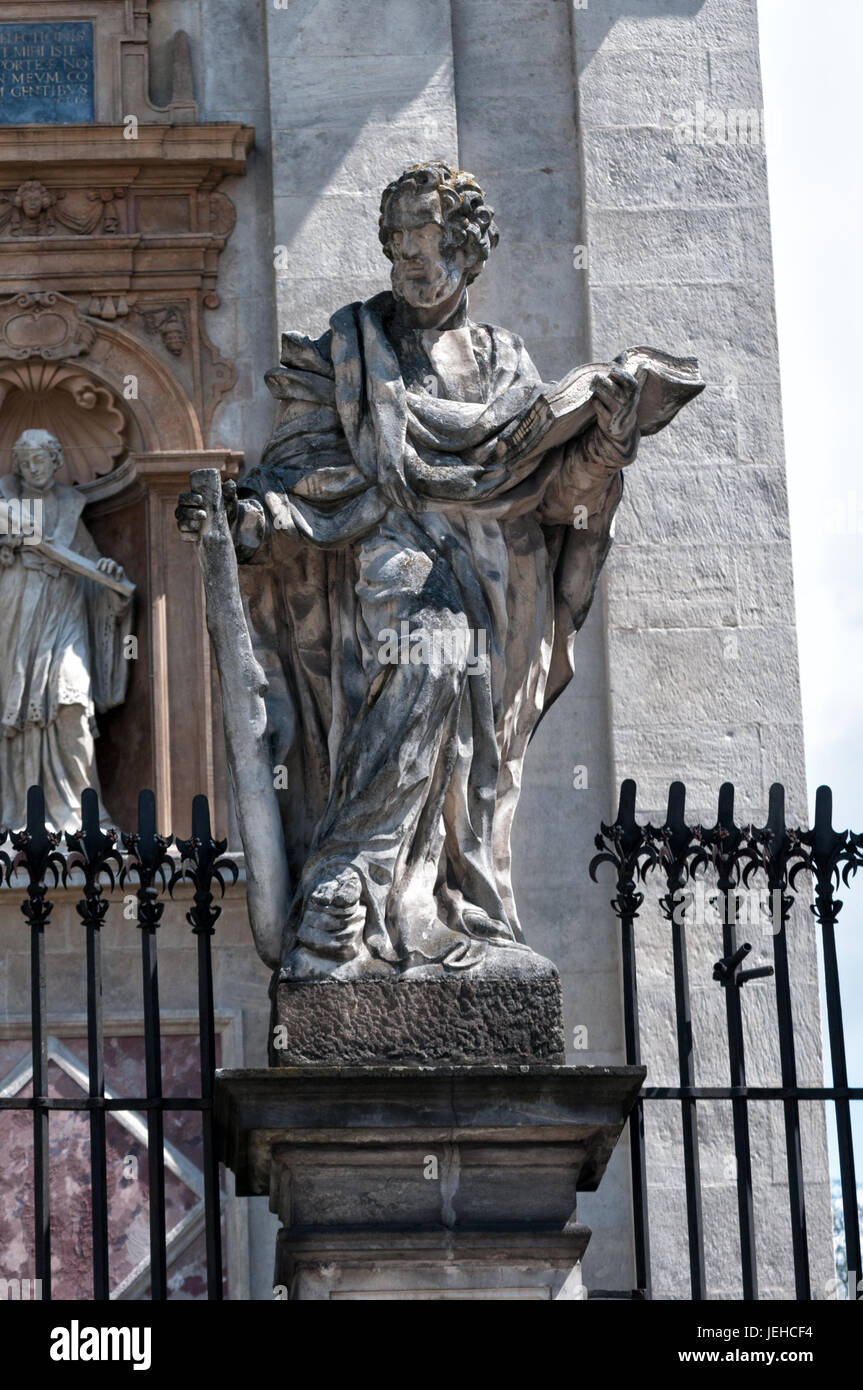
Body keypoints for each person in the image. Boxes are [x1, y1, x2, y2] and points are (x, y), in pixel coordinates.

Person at [0, 429, 133, 832]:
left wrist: (109, 577)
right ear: (18, 465)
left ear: (57, 460)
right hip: (18, 611)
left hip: (65, 609)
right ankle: (22, 816)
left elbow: (89, 567)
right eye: (27, 461)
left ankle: (82, 815)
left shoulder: (71, 507)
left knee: (71, 704)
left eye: (42, 459)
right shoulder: (7, 506)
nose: (35, 467)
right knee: (19, 711)